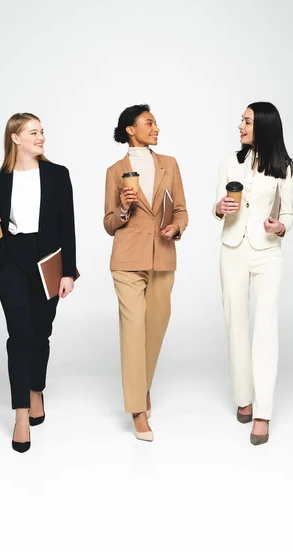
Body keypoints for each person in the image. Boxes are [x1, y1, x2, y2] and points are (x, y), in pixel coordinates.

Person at [0, 112, 77, 453]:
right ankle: (22, 414)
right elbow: (2, 231)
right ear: (15, 138)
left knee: (41, 333)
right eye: (33, 132)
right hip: (12, 263)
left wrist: (69, 271)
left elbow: (68, 226)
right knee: (19, 335)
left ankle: (37, 388)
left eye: (42, 131)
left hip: (48, 261)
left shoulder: (57, 175)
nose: (41, 137)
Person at [213, 102, 293, 445]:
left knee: (265, 329)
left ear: (262, 126)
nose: (240, 126)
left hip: (267, 254)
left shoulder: (285, 167)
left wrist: (280, 226)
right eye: (241, 121)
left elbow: (289, 214)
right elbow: (218, 205)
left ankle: (262, 413)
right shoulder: (230, 161)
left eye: (246, 121)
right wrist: (220, 207)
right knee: (236, 324)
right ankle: (243, 398)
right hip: (232, 248)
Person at [104, 104, 188, 441]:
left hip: (163, 256)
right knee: (133, 329)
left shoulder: (169, 165)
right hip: (126, 260)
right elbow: (109, 223)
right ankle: (138, 410)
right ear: (130, 129)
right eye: (148, 123)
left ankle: (144, 386)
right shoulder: (114, 171)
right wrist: (123, 208)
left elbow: (181, 209)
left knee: (155, 328)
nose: (156, 128)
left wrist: (176, 227)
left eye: (155, 123)